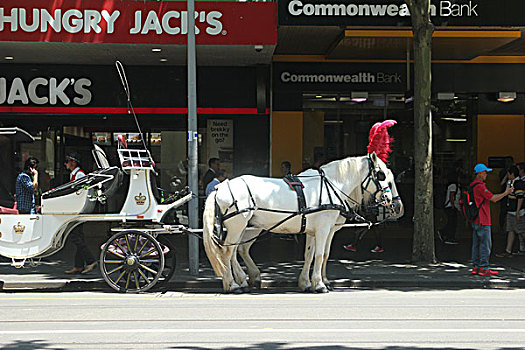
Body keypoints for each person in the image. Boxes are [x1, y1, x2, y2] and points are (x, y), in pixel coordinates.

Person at [470, 163, 513, 276]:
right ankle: (484, 267)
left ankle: (475, 266)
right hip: (483, 219)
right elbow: (493, 198)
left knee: (476, 244)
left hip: (475, 220)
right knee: (485, 244)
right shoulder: (480, 186)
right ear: (480, 173)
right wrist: (506, 193)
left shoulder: (472, 185)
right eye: (485, 172)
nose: (487, 175)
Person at [64, 152, 97, 274]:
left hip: (77, 210)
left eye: (67, 161)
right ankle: (78, 265)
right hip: (75, 209)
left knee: (74, 237)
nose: (65, 164)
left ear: (73, 162)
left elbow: (80, 192)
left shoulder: (79, 175)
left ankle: (90, 260)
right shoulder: (75, 174)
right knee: (78, 237)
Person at [495, 166, 523, 257]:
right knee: (511, 230)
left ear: (512, 174)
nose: (507, 175)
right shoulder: (510, 183)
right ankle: (508, 250)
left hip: (516, 211)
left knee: (521, 231)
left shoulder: (518, 183)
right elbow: (502, 184)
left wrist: (518, 211)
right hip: (510, 211)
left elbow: (520, 198)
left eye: (508, 174)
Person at [439, 172, 460, 245]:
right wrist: (453, 205)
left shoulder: (451, 185)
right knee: (452, 223)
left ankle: (448, 235)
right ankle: (448, 236)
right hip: (451, 207)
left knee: (450, 222)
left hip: (450, 206)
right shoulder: (453, 186)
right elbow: (452, 196)